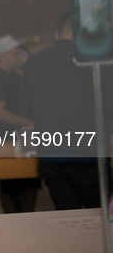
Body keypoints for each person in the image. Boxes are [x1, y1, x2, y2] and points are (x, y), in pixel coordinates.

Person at [20, 13, 113, 209]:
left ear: (57, 33)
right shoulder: (94, 61)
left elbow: (26, 109)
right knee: (101, 221)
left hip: (50, 154)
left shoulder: (34, 63)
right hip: (89, 153)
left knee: (66, 217)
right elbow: (109, 103)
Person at [0, 35, 39, 213]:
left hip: (24, 138)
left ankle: (28, 219)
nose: (19, 57)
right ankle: (12, 219)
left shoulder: (18, 76)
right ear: (3, 55)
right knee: (10, 184)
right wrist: (29, 122)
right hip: (5, 141)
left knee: (30, 181)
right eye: (15, 54)